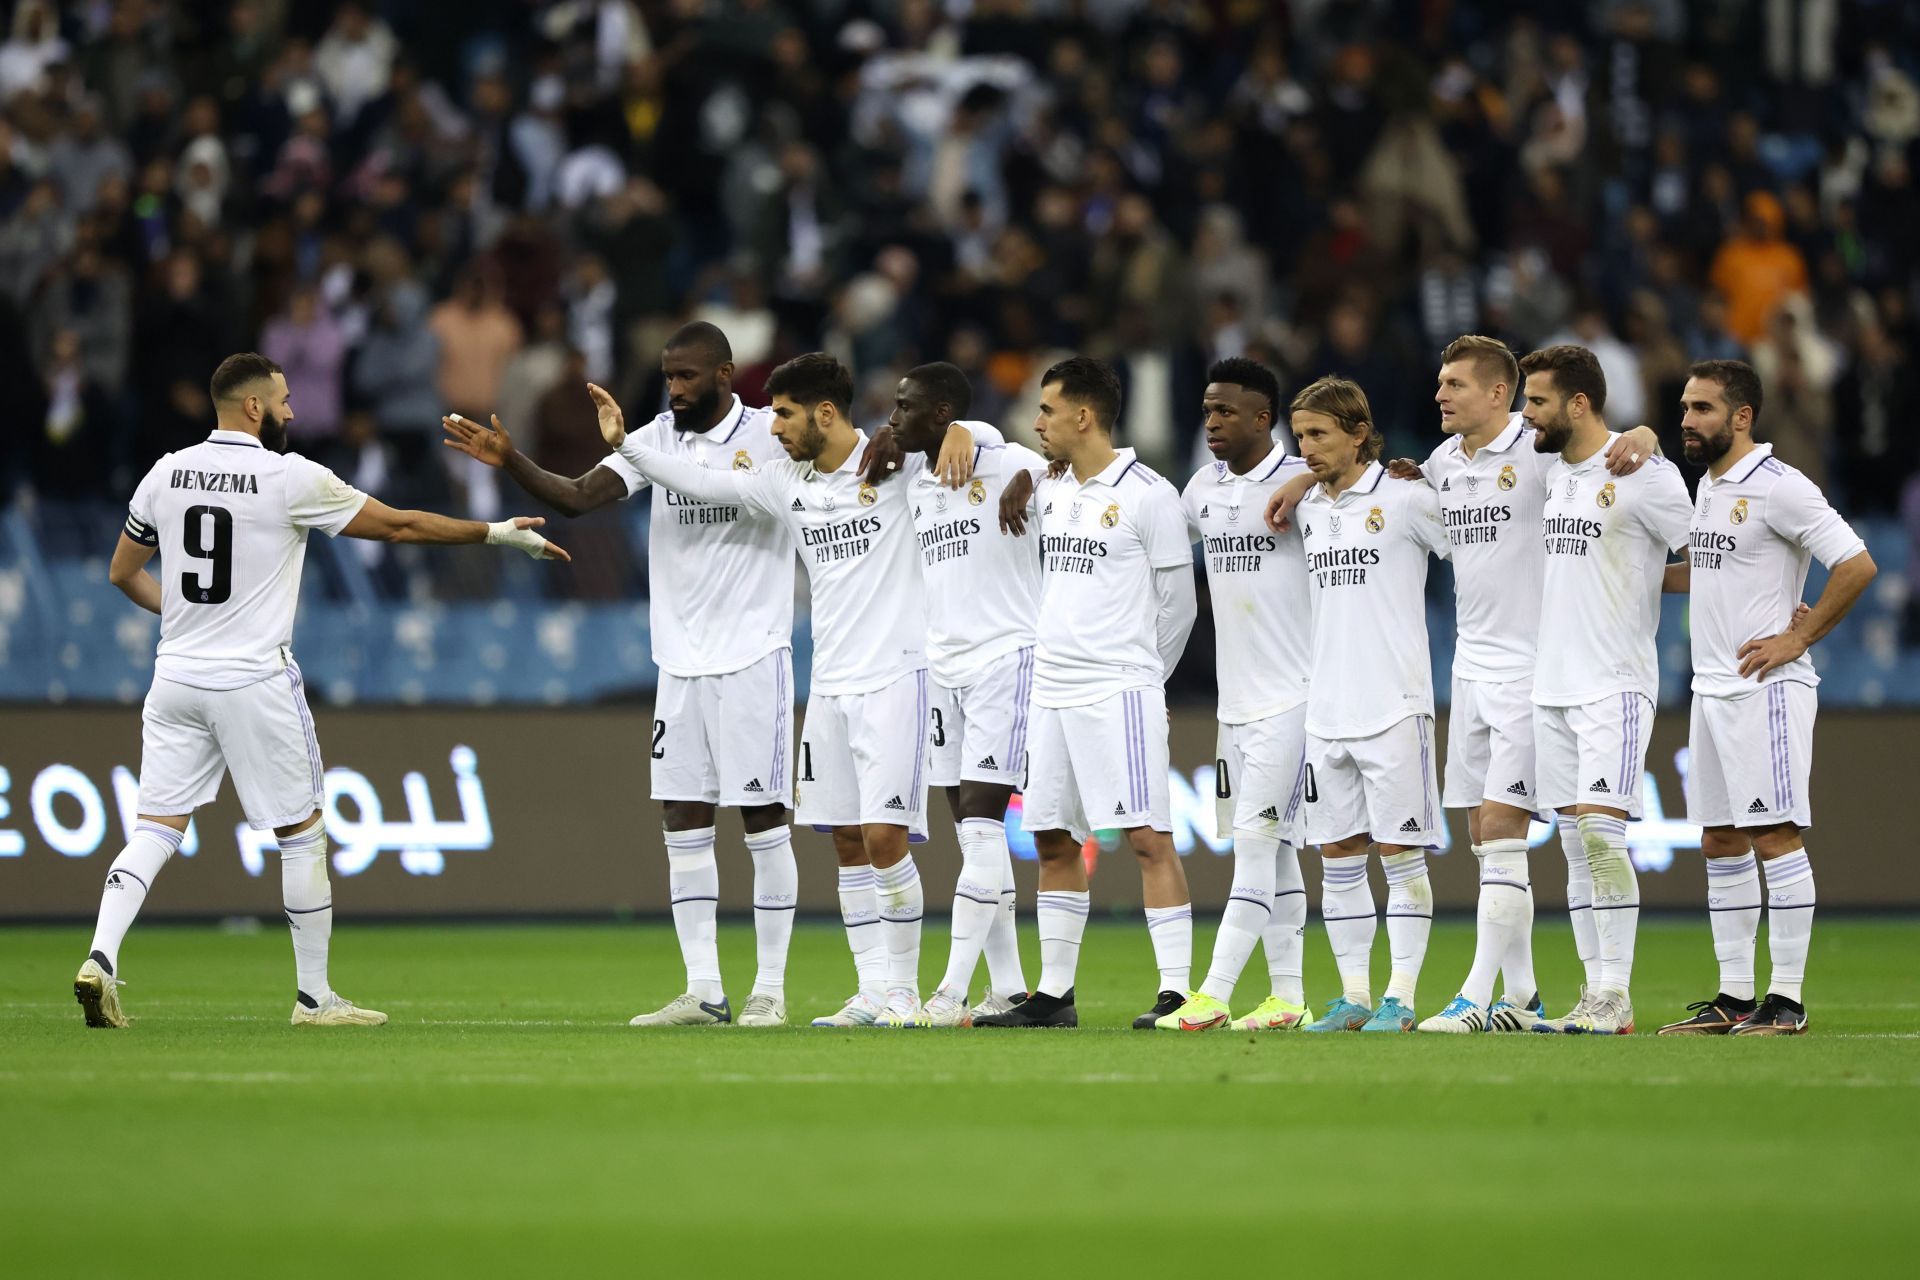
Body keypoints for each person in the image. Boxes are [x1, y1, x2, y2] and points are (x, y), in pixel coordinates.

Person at [75, 353, 567, 1030]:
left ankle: (100, 957)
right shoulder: (288, 477)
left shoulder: (165, 472)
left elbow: (122, 572)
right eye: (283, 399)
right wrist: (495, 534)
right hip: (252, 677)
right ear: (253, 408)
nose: (293, 411)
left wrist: (189, 618)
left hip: (177, 675)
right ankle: (314, 998)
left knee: (158, 827)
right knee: (301, 832)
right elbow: (399, 525)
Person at [591, 352, 981, 1029]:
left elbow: (981, 446)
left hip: (896, 678)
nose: (772, 429)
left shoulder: (897, 465)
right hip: (829, 687)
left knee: (886, 837)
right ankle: (870, 993)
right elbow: (700, 481)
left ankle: (903, 992)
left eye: (783, 415)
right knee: (847, 841)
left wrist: (970, 432)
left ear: (824, 413)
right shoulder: (785, 483)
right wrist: (627, 446)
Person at [442, 322, 799, 1028]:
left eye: (689, 376)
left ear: (726, 374)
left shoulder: (768, 435)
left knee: (763, 820)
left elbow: (723, 491)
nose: (675, 388)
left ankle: (771, 990)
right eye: (668, 376)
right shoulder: (655, 436)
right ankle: (704, 991)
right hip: (680, 660)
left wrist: (627, 445)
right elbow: (576, 497)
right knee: (683, 818)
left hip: (754, 653)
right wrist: (513, 459)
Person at [1408, 337, 1658, 1034]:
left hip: (1534, 671)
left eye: (1454, 383)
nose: (1440, 395)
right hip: (1470, 670)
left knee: (1501, 828)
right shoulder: (1439, 465)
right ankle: (1521, 994)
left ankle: (1475, 997)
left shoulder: (1539, 448)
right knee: (1482, 837)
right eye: (1439, 382)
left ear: (1498, 394)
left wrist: (1644, 431)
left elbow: (1607, 453)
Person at [1656, 360, 1875, 1036]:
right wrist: (1622, 572)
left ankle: (1787, 999)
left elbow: (1857, 562)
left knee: (1773, 835)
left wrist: (1797, 636)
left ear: (1742, 417)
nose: (1687, 421)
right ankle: (1734, 998)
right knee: (1720, 840)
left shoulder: (1781, 487)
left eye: (1702, 410)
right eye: (1686, 408)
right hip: (1712, 690)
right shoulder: (1710, 487)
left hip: (1766, 690)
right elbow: (1711, 572)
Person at [981, 357, 1197, 1029]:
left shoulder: (1149, 494)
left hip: (1118, 689)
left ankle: (1178, 992)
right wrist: (1021, 475)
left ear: (1083, 416)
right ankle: (1054, 996)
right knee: (1050, 836)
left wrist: (1144, 677)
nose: (1037, 422)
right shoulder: (1049, 488)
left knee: (1146, 837)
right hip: (1051, 689)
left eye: (1046, 410)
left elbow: (1179, 606)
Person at [1522, 344, 1693, 1035]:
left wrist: (1648, 436)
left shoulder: (1646, 473)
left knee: (1599, 834)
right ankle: (1594, 997)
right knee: (1571, 844)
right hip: (1552, 684)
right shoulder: (1549, 469)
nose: (1526, 414)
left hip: (1615, 682)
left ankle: (1616, 993)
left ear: (1579, 403)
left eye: (1536, 401)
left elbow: (1706, 558)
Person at [1287, 376, 1450, 1034]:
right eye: (1299, 436)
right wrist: (1295, 484)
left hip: (1394, 705)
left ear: (1360, 434)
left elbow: (1475, 553)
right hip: (1326, 708)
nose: (1306, 449)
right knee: (1339, 857)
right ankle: (1354, 994)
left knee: (1401, 856)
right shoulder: (1306, 508)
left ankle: (1401, 998)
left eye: (1319, 434)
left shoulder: (1409, 500)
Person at [1158, 358, 1316, 1032]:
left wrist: (1314, 474)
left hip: (1295, 695)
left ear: (1263, 417)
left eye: (1225, 411)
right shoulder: (1200, 490)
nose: (1211, 421)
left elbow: (1375, 481)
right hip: (1237, 705)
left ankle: (1214, 994)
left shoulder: (1308, 486)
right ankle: (1287, 997)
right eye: (1206, 408)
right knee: (1274, 851)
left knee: (1254, 843)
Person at [885, 361, 1040, 1026]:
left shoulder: (1003, 462)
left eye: (904, 407)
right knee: (976, 839)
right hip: (943, 668)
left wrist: (975, 432)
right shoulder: (916, 482)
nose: (893, 418)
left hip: (1005, 657)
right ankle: (1006, 986)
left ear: (943, 412)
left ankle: (947, 993)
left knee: (980, 829)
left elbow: (1059, 465)